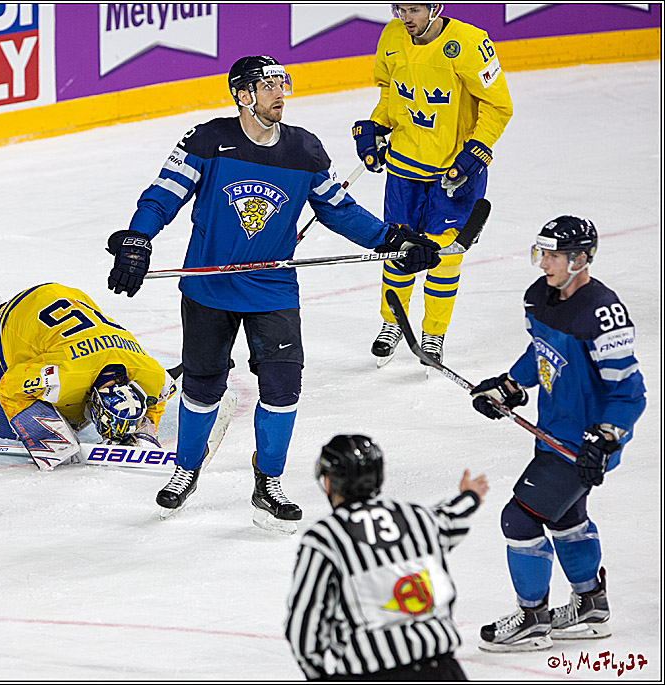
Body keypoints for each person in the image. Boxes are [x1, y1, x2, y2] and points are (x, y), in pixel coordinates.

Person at [106, 55, 441, 534]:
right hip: (209, 287)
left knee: (283, 389)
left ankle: (269, 483)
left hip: (273, 290)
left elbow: (339, 209)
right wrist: (138, 239)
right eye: (268, 85)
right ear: (243, 96)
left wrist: (392, 239)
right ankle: (186, 469)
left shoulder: (304, 150)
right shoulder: (206, 141)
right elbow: (163, 195)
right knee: (202, 387)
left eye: (283, 83)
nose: (280, 92)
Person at [470, 216, 645, 651]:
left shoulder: (602, 313)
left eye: (553, 255)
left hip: (583, 444)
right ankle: (591, 605)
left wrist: (605, 438)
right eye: (542, 253)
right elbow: (542, 352)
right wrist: (510, 385)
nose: (544, 263)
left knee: (519, 518)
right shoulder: (540, 297)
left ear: (580, 259)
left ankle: (533, 618)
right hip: (554, 432)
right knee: (566, 517)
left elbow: (630, 392)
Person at [353, 4, 513, 367]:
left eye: (414, 9)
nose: (405, 18)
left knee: (444, 255)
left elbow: (498, 105)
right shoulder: (392, 35)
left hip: (454, 171)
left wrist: (478, 148)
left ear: (435, 6)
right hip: (404, 167)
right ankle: (393, 322)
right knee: (398, 247)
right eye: (399, 9)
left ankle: (434, 333)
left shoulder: (470, 42)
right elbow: (391, 91)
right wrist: (376, 126)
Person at [0, 283, 178, 470]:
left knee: (66, 405)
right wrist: (47, 435)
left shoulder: (153, 376)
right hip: (17, 320)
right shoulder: (62, 376)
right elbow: (11, 386)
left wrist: (146, 430)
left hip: (69, 299)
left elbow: (160, 395)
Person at [285, 434, 488, 680]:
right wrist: (470, 496)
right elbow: (452, 516)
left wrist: (317, 675)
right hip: (443, 671)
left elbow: (304, 624)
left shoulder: (325, 537)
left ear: (328, 483)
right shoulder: (418, 518)